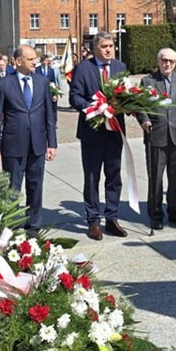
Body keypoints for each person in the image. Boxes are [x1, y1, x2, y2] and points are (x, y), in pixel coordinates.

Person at [0, 44, 57, 236]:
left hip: (37, 144)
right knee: (12, 189)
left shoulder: (42, 82)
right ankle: (10, 226)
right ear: (18, 61)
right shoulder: (4, 84)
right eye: (30, 59)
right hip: (13, 145)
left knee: (35, 186)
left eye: (35, 58)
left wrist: (52, 143)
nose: (35, 62)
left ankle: (34, 225)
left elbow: (49, 116)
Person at [69, 31, 128, 240]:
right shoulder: (83, 68)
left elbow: (126, 94)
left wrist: (127, 105)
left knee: (114, 176)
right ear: (95, 49)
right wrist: (94, 108)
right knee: (92, 177)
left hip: (114, 131)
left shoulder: (120, 68)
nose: (109, 49)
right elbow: (74, 97)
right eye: (104, 46)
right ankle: (93, 221)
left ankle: (112, 218)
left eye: (111, 45)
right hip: (92, 132)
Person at [137, 47, 176, 230]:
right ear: (158, 61)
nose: (167, 64)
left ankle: (175, 211)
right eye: (164, 60)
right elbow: (140, 106)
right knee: (156, 178)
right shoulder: (148, 81)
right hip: (156, 135)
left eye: (171, 61)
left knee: (174, 177)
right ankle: (155, 214)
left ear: (175, 63)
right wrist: (144, 120)